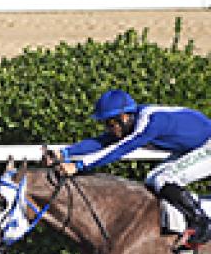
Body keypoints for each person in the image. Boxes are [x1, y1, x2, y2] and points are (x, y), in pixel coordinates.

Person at [46, 89, 211, 245]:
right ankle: (179, 224)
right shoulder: (134, 121)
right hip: (194, 147)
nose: (109, 128)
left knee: (164, 178)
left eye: (110, 123)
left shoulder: (150, 123)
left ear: (124, 117)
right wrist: (64, 153)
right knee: (153, 179)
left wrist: (78, 166)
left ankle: (202, 223)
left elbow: (120, 149)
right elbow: (102, 142)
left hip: (206, 145)